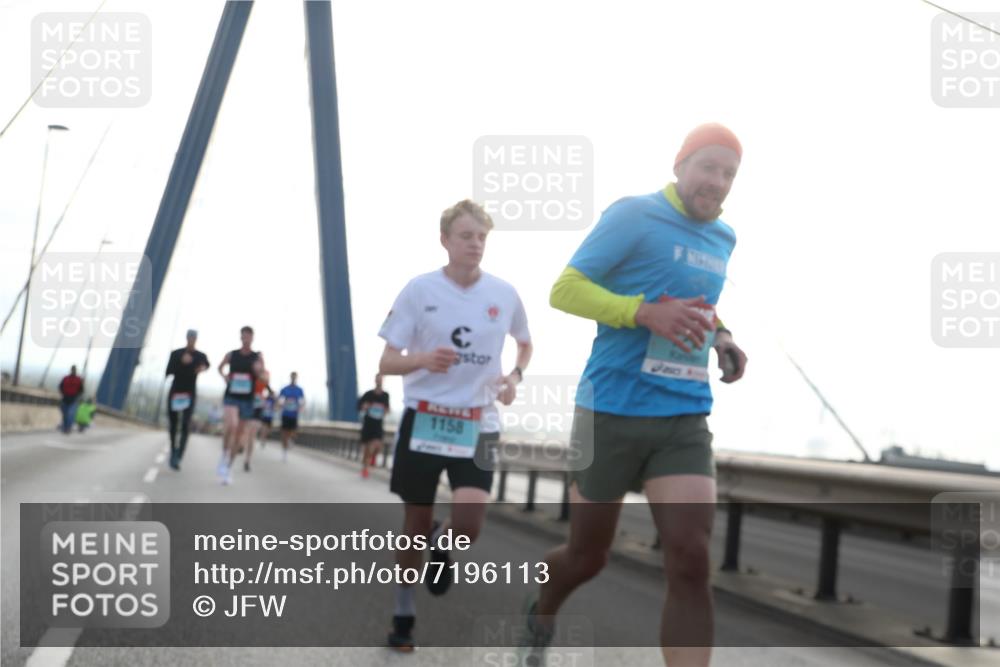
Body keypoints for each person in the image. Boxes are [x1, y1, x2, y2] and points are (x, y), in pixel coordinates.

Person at [523, 123, 750, 667]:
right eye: (708, 167)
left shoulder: (724, 237)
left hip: (683, 415)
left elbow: (700, 302)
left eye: (728, 174)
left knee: (691, 560)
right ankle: (543, 608)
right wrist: (642, 311)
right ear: (680, 165)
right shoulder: (633, 215)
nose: (716, 182)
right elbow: (565, 289)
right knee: (587, 556)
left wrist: (722, 336)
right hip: (609, 411)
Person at [378, 199, 532, 651]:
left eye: (482, 236)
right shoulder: (419, 290)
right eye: (466, 236)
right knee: (414, 522)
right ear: (445, 240)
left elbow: (524, 343)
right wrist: (423, 359)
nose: (475, 244)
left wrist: (514, 377)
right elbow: (386, 361)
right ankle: (403, 613)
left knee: (469, 522)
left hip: (477, 421)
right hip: (426, 417)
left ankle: (442, 545)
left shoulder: (503, 294)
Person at [217, 326, 265, 485]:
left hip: (247, 400)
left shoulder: (257, 357)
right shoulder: (232, 354)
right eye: (243, 336)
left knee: (238, 435)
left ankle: (228, 468)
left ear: (252, 338)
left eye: (248, 337)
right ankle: (224, 454)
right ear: (240, 337)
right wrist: (224, 376)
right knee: (231, 425)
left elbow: (263, 378)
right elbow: (220, 367)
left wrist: (259, 371)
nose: (246, 339)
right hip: (231, 396)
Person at [164, 329, 210, 470]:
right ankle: (173, 450)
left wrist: (201, 368)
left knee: (185, 424)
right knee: (173, 424)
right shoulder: (176, 353)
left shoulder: (200, 356)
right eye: (190, 337)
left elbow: (207, 365)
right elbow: (168, 372)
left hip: (189, 394)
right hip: (175, 392)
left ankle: (179, 455)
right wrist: (181, 362)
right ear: (186, 338)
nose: (191, 339)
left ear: (196, 339)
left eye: (194, 337)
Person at [357, 373, 391, 478]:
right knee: (367, 449)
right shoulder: (368, 394)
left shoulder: (385, 395)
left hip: (378, 425)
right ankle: (365, 468)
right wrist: (365, 406)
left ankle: (370, 461)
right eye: (378, 379)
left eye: (381, 380)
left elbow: (388, 410)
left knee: (377, 446)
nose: (379, 381)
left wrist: (386, 410)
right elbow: (359, 406)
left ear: (383, 381)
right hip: (368, 424)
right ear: (375, 380)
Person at [244, 372, 273, 472]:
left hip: (257, 411)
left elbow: (272, 394)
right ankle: (241, 445)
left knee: (252, 435)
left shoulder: (265, 382)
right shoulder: (250, 377)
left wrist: (265, 400)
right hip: (247, 408)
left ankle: (248, 460)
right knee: (246, 433)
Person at [277, 372, 305, 463]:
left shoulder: (299, 390)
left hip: (294, 415)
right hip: (285, 414)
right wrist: (281, 405)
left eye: (295, 377)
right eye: (292, 377)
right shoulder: (285, 389)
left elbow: (302, 402)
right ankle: (284, 453)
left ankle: (290, 440)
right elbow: (280, 401)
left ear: (296, 378)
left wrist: (301, 408)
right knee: (284, 434)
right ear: (290, 377)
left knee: (293, 432)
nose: (293, 378)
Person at [57, 365, 84, 434]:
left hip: (73, 399)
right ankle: (66, 427)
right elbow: (60, 387)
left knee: (70, 414)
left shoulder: (78, 379)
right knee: (65, 415)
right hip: (65, 398)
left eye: (74, 369)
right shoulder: (66, 378)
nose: (73, 371)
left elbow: (81, 390)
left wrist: (77, 396)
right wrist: (63, 393)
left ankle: (68, 428)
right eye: (72, 369)